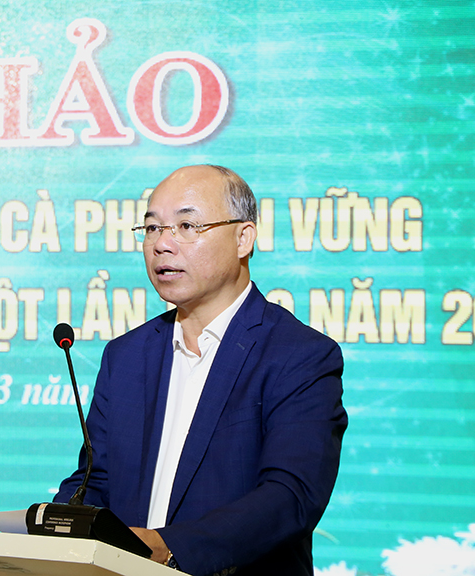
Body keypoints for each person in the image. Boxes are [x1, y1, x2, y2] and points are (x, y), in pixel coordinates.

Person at [53, 165, 348, 576]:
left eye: (187, 226)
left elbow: (290, 497)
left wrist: (170, 548)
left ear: (243, 238)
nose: (162, 245)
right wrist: (59, 525)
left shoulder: (298, 355)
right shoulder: (126, 356)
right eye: (152, 228)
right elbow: (94, 480)